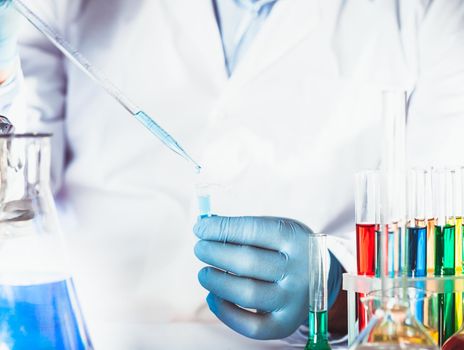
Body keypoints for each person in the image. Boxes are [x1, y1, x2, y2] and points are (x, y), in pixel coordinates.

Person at [1, 0, 464, 347]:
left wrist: (334, 281)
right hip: (88, 331)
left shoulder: (433, 12)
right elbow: (17, 184)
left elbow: (442, 240)